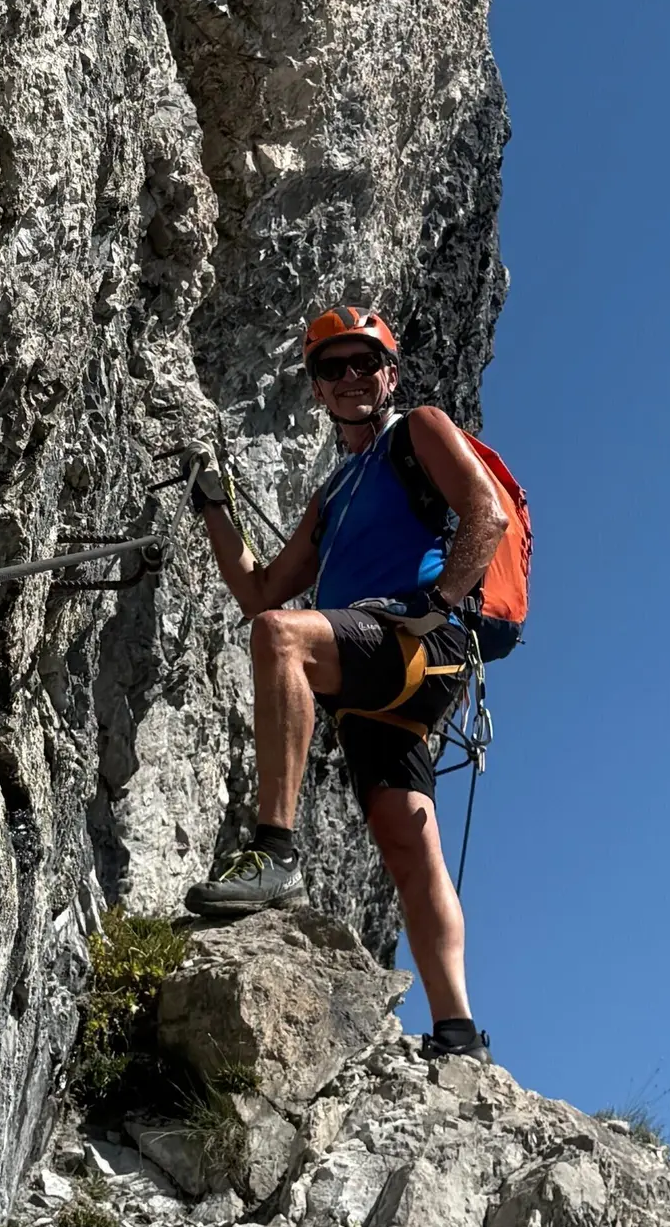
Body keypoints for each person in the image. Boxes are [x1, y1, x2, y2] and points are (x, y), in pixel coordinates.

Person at [185, 305, 508, 1060]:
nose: (352, 377)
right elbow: (260, 590)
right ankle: (457, 1030)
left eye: (366, 362)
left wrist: (437, 604)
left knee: (284, 640)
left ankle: (274, 849)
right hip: (385, 667)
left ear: (390, 374)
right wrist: (214, 508)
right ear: (318, 391)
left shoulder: (419, 428)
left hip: (419, 639)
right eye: (333, 368)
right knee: (406, 840)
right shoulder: (332, 495)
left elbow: (483, 516)